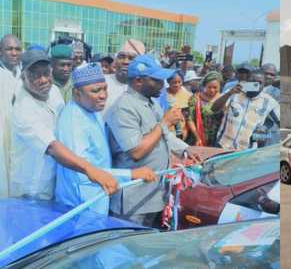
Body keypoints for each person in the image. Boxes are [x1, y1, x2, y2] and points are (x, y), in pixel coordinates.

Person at [9, 49, 118, 200]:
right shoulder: (23, 109)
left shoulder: (53, 91)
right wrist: (90, 169)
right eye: (35, 75)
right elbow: (52, 147)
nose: (43, 80)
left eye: (46, 73)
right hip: (32, 188)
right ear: (23, 77)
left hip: (54, 180)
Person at [106, 54, 200, 226]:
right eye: (156, 80)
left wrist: (186, 149)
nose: (163, 85)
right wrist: (165, 122)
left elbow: (164, 136)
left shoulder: (151, 103)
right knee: (126, 247)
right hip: (133, 201)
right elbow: (136, 151)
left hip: (153, 194)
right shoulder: (124, 108)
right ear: (138, 81)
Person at [55, 63, 156, 214]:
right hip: (81, 203)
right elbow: (82, 171)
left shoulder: (92, 109)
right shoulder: (73, 122)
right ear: (77, 93)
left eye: (105, 88)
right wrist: (131, 174)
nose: (103, 95)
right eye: (95, 91)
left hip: (97, 195)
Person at [212, 69, 280, 150]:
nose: (256, 85)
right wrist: (229, 93)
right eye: (252, 81)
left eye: (259, 83)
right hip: (223, 146)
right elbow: (214, 109)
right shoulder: (233, 93)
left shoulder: (270, 103)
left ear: (264, 84)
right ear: (246, 81)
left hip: (247, 153)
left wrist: (264, 134)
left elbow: (279, 126)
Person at [0, 34, 22, 198]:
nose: (14, 53)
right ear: (1, 52)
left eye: (17, 49)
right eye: (9, 49)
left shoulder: (27, 74)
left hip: (22, 140)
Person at [103, 39, 145, 117]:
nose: (125, 61)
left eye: (131, 58)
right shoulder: (102, 82)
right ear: (115, 60)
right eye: (121, 57)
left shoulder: (145, 89)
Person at [186, 71, 223, 147]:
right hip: (199, 137)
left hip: (218, 139)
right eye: (209, 87)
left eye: (215, 87)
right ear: (205, 86)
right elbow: (190, 119)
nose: (212, 90)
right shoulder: (196, 98)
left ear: (220, 86)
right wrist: (197, 136)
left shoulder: (224, 99)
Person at [160, 70, 192, 140]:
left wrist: (185, 130)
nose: (177, 85)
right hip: (166, 130)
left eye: (179, 82)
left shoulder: (188, 96)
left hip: (181, 131)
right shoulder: (162, 94)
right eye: (174, 82)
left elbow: (188, 116)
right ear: (168, 82)